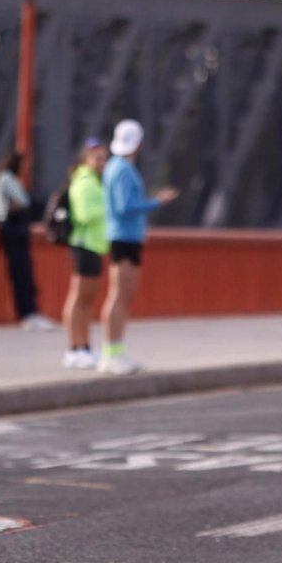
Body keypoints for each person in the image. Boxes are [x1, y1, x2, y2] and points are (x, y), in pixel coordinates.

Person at [99, 119, 178, 375]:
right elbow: (124, 207)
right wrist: (156, 203)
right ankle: (112, 351)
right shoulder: (122, 168)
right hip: (124, 237)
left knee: (122, 295)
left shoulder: (116, 166)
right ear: (139, 143)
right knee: (119, 295)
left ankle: (114, 350)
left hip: (125, 237)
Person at [0, 152, 56, 331]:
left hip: (12, 228)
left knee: (23, 271)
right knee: (22, 272)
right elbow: (22, 201)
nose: (26, 169)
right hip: (13, 228)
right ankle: (28, 313)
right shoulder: (7, 178)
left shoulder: (2, 178)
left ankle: (30, 312)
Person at [62, 139, 109, 369]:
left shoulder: (94, 181)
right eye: (98, 158)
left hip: (95, 245)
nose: (102, 163)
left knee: (87, 301)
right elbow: (84, 214)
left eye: (104, 158)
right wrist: (110, 209)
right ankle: (74, 348)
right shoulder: (84, 181)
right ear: (86, 158)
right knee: (79, 298)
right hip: (84, 244)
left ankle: (85, 346)